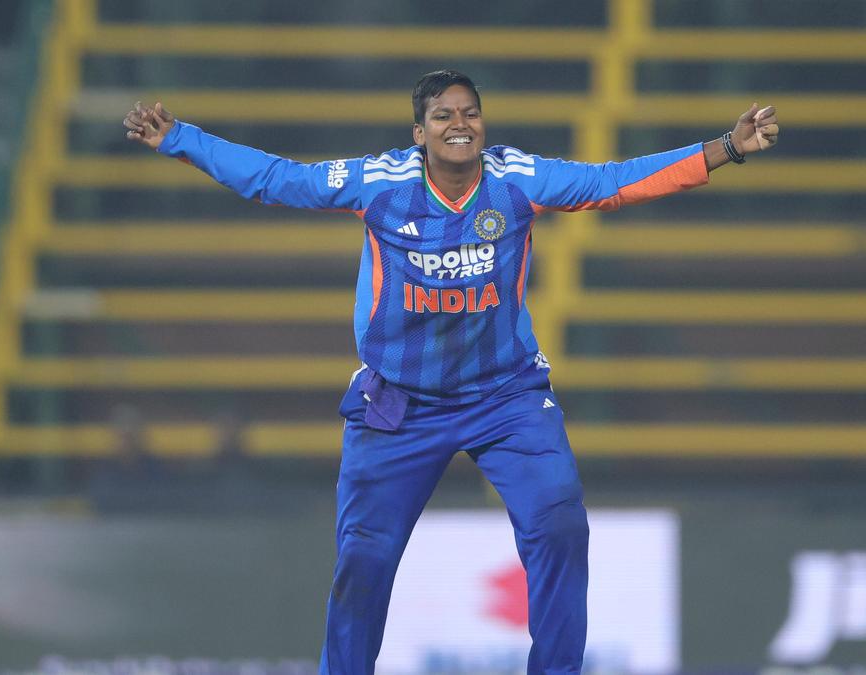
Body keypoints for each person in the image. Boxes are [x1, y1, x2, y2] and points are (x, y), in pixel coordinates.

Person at [124, 69, 779, 675]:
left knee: (560, 525)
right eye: (443, 115)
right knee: (363, 558)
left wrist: (726, 148)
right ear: (420, 133)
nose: (459, 124)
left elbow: (613, 182)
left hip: (506, 395)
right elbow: (276, 179)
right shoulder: (379, 184)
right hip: (400, 403)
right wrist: (180, 138)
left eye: (470, 113)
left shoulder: (517, 179)